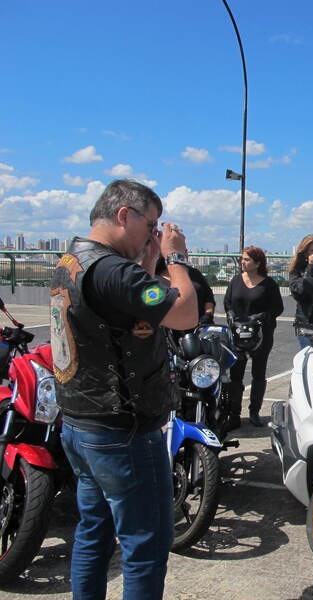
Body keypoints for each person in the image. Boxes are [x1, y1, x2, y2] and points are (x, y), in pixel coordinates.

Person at [49, 179, 198, 600]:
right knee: (145, 545)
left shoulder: (72, 259)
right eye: (150, 224)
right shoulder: (113, 269)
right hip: (123, 431)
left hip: (81, 424)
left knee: (94, 532)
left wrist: (149, 261)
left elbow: (128, 312)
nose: (154, 232)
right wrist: (176, 258)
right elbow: (183, 313)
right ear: (123, 215)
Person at [224, 246, 284, 428]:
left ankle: (254, 412)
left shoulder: (269, 284)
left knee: (259, 373)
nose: (243, 262)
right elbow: (227, 302)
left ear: (258, 263)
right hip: (238, 335)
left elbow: (277, 308)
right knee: (236, 374)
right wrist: (231, 316)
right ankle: (234, 414)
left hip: (260, 335)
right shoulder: (235, 281)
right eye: (242, 259)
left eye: (247, 259)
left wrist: (262, 317)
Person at [155, 254, 216, 325]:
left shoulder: (195, 273)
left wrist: (208, 314)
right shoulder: (153, 279)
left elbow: (209, 297)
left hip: (200, 326)